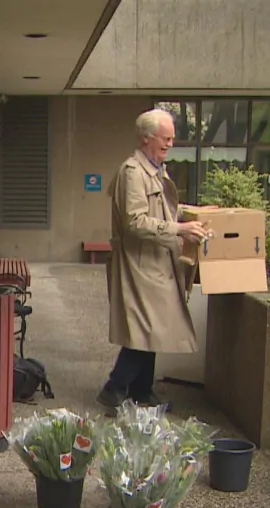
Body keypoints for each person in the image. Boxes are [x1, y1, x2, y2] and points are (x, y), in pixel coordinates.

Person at [96, 109, 210, 414]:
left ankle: (140, 391)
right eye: (166, 137)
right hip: (140, 262)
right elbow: (134, 221)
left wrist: (189, 214)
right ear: (147, 137)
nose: (171, 143)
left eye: (172, 138)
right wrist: (179, 229)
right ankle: (116, 388)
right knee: (145, 328)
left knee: (152, 329)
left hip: (154, 261)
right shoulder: (133, 172)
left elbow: (161, 209)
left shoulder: (154, 168)